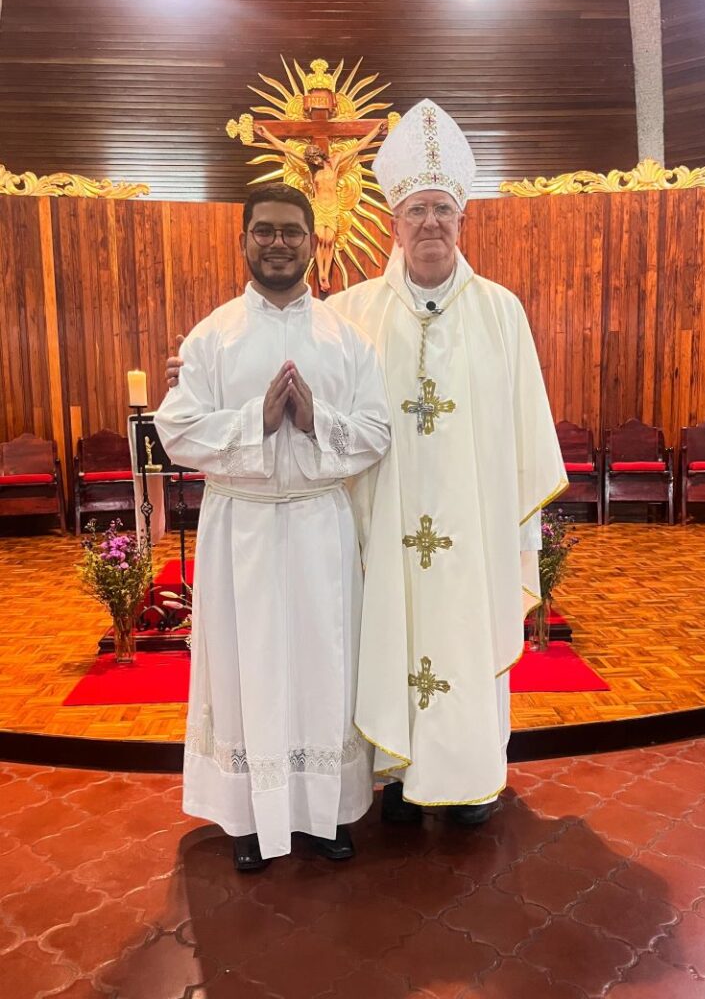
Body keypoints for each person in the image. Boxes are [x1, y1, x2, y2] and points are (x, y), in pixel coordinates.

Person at [166, 101, 566, 828]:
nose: (430, 224)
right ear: (393, 220)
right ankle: (394, 776)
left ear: (462, 216)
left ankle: (470, 773)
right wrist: (199, 373)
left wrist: (515, 529)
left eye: (442, 209)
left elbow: (526, 429)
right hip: (379, 532)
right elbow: (288, 353)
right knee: (380, 642)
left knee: (464, 635)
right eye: (416, 210)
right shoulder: (349, 312)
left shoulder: (503, 313)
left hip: (469, 532)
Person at [154, 183, 390, 872]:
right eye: (265, 231)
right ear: (245, 241)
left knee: (324, 666)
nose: (279, 242)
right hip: (243, 528)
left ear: (313, 242)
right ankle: (251, 819)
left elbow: (376, 430)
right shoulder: (213, 334)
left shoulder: (347, 340)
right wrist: (252, 422)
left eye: (292, 231)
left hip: (320, 524)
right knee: (244, 668)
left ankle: (326, 814)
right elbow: (177, 430)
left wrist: (319, 421)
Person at [253, 121, 387, 293]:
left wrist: (376, 130)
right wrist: (267, 135)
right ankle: (322, 274)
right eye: (311, 160)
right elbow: (287, 150)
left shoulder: (334, 162)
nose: (314, 162)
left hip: (332, 207)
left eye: (315, 158)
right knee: (320, 239)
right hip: (318, 207)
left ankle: (325, 271)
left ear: (320, 154)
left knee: (329, 240)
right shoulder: (312, 170)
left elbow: (359, 146)